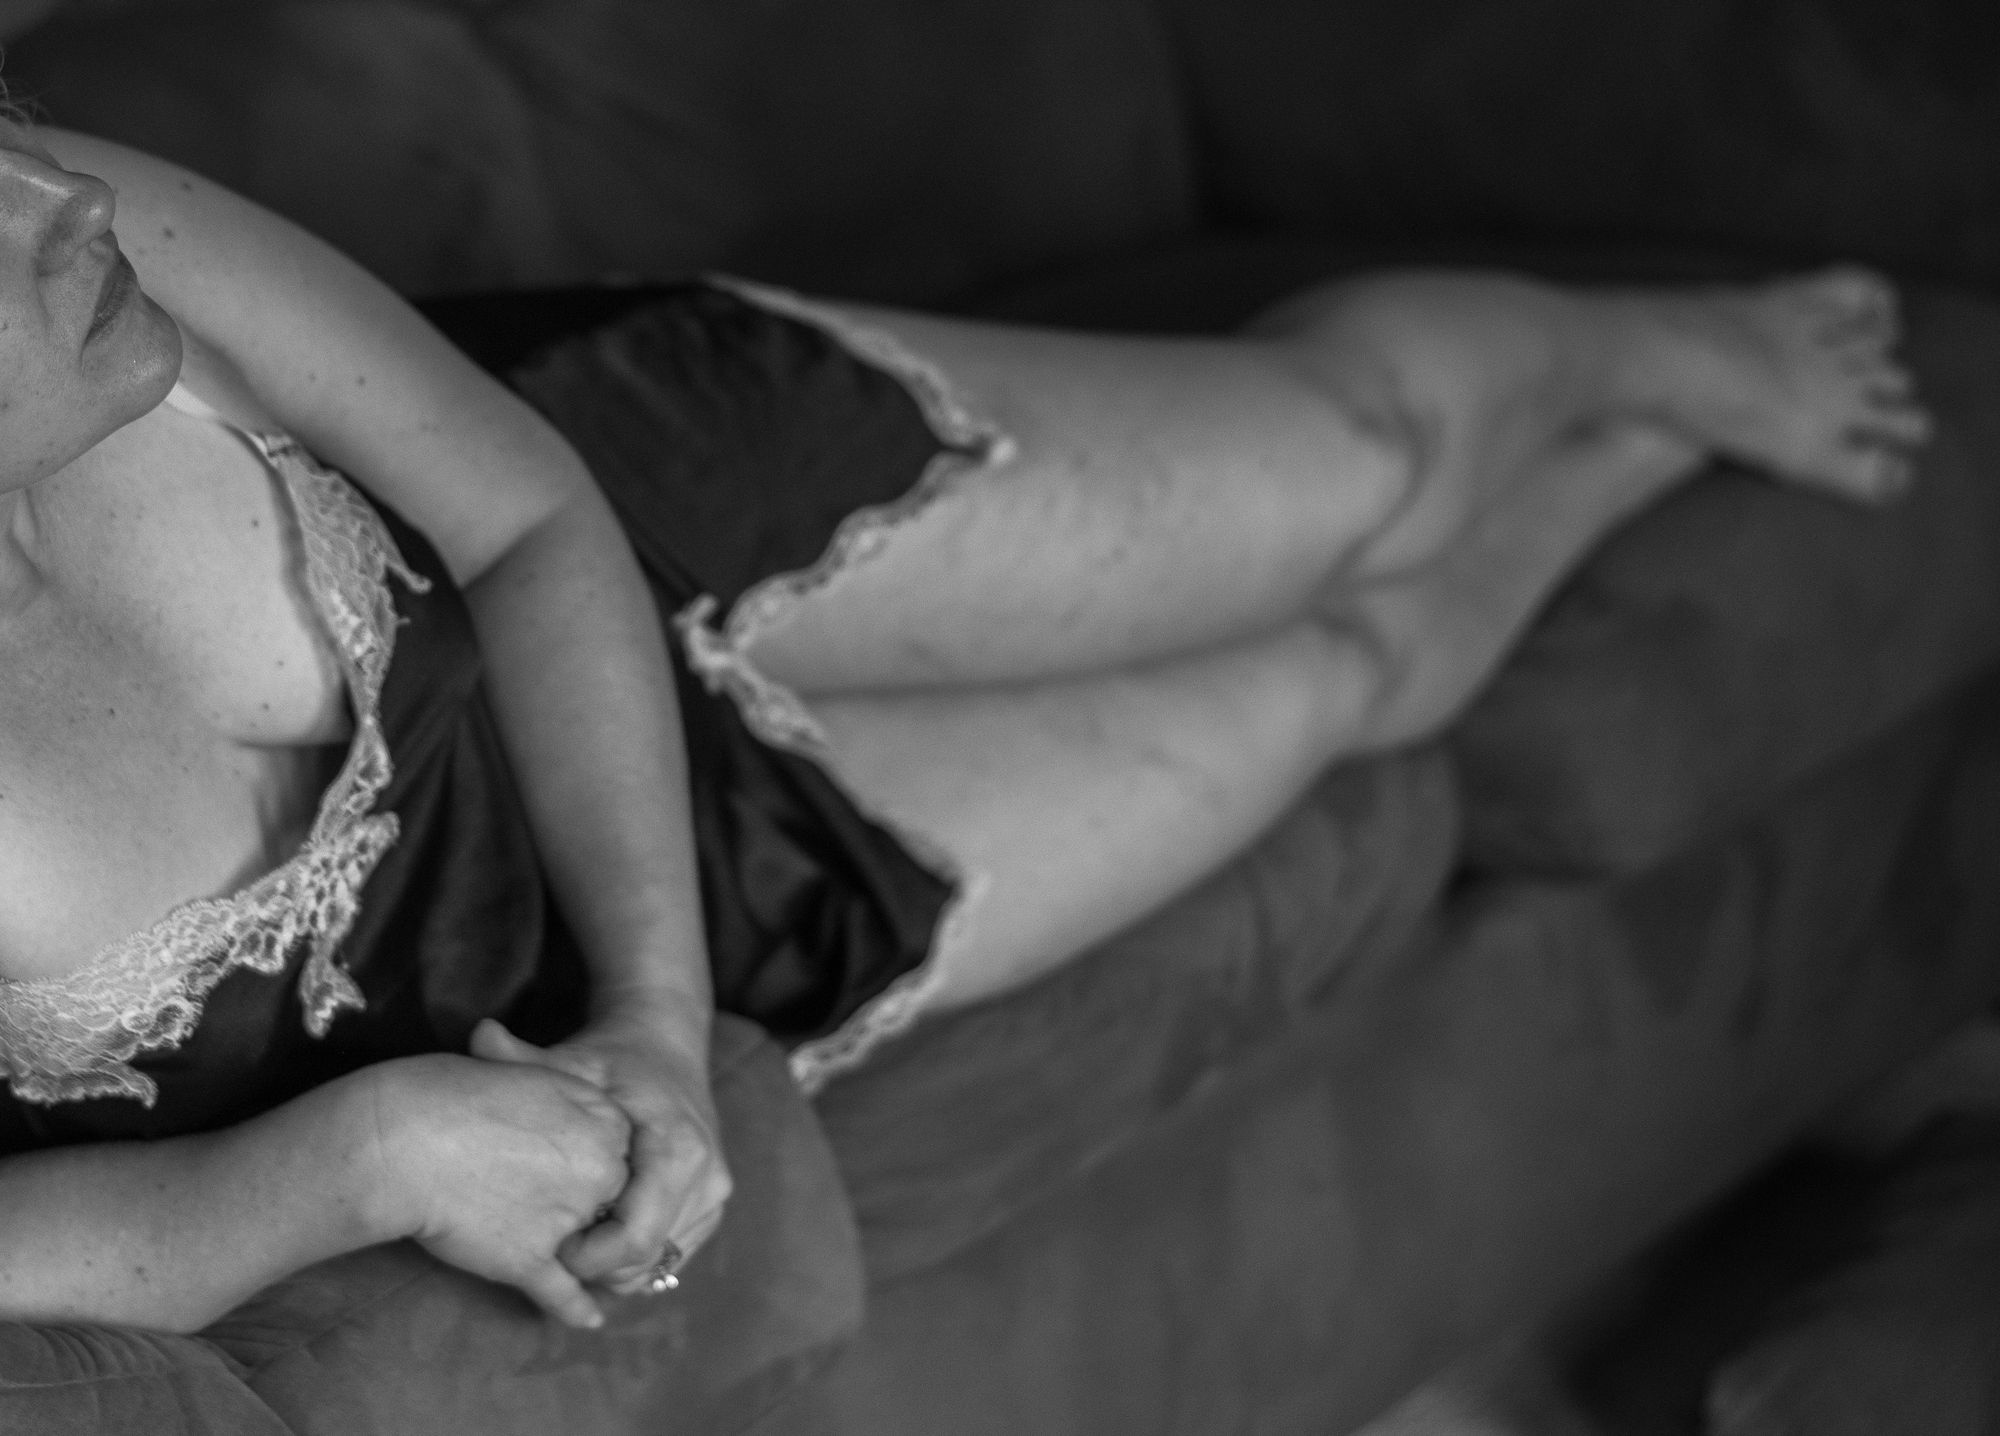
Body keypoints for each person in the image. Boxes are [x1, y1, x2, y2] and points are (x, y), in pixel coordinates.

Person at [0, 120, 1930, 1338]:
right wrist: (348, 1165)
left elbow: (521, 517)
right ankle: (1618, 462)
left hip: (634, 507)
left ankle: (1629, 351)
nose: (58, 195)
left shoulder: (79, 218)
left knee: (1367, 467)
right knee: (1352, 680)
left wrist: (663, 1016)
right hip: (575, 941)